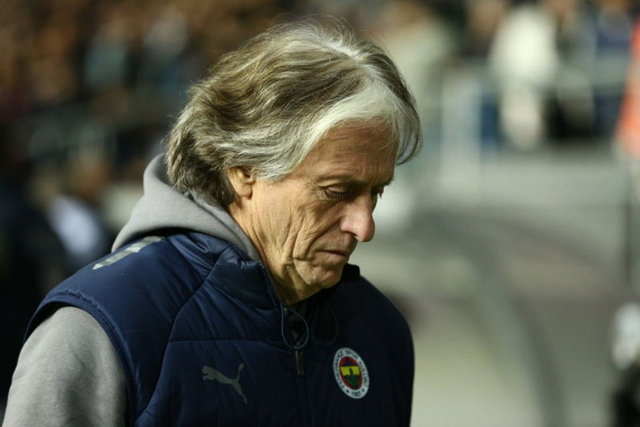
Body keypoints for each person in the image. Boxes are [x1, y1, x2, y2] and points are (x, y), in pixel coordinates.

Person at [3, 18, 421, 426]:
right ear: (243, 170)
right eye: (335, 191)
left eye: (376, 192)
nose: (364, 227)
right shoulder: (101, 325)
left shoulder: (379, 328)